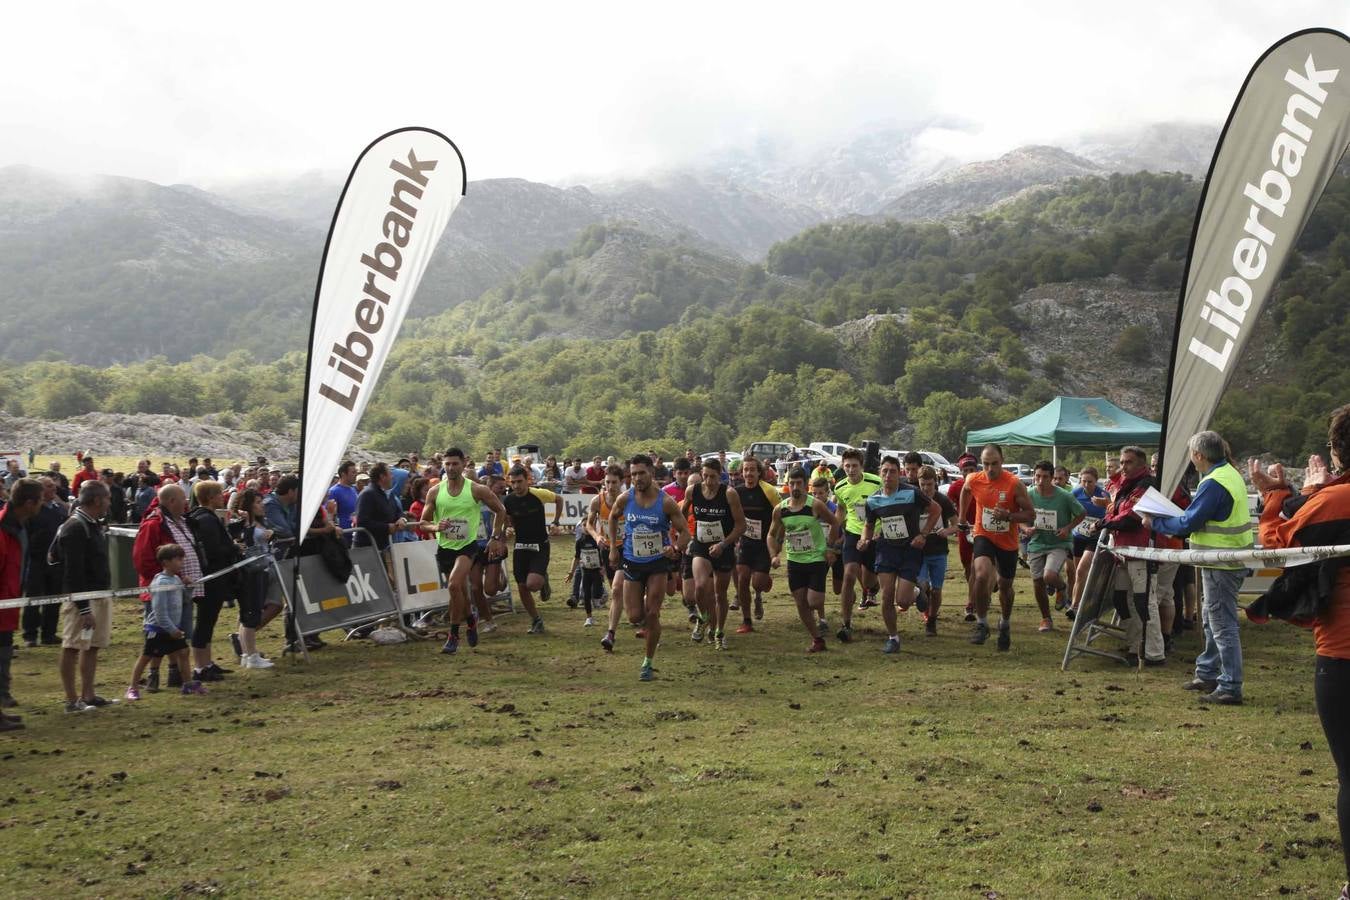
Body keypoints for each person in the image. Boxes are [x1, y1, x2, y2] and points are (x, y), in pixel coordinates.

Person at [1249, 405, 1350, 894]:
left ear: (1336, 452)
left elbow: (1277, 547)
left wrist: (1279, 495)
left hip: (1344, 655)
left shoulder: (1332, 502)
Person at [1140, 431, 1250, 702]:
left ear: (1199, 455)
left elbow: (1189, 523)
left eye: (1191, 453)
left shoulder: (1214, 483)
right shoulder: (1228, 474)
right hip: (1223, 561)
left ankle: (1230, 686)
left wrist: (1156, 523)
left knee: (1222, 625)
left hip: (1220, 564)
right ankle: (1209, 672)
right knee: (1214, 622)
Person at [607, 454, 690, 681]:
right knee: (635, 616)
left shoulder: (665, 502)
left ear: (651, 473)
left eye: (641, 473)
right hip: (632, 562)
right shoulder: (625, 499)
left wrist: (674, 548)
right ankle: (648, 617)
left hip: (657, 564)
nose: (637, 478)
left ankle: (648, 663)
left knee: (652, 614)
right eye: (633, 474)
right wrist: (614, 547)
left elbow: (685, 533)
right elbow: (613, 517)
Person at [419, 448, 507, 655]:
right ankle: (470, 621)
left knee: (454, 585)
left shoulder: (476, 489)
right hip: (445, 548)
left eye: (455, 464)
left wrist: (495, 537)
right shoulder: (435, 491)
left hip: (467, 547)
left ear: (463, 464)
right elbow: (423, 522)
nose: (450, 468)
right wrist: (435, 527)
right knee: (460, 593)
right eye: (447, 464)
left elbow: (500, 510)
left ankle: (453, 635)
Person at [858, 457, 940, 654]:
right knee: (886, 597)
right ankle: (893, 638)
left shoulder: (911, 493)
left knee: (902, 601)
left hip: (910, 549)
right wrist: (864, 540)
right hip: (887, 549)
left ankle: (917, 592)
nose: (888, 475)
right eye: (884, 471)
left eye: (892, 471)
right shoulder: (873, 500)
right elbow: (868, 525)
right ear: (880, 474)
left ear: (899, 473)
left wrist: (923, 534)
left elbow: (935, 510)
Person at [959, 444, 1034, 651]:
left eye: (994, 464)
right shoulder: (974, 479)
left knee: (1005, 586)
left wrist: (1009, 516)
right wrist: (962, 517)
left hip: (1007, 541)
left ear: (1002, 461)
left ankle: (1005, 623)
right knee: (981, 575)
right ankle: (982, 623)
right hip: (983, 534)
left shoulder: (1014, 484)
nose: (990, 469)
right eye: (985, 464)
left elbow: (1030, 514)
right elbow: (965, 492)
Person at [768, 466, 840, 653]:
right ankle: (817, 639)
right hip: (794, 561)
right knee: (801, 602)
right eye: (791, 483)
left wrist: (831, 548)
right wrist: (774, 555)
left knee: (813, 602)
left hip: (816, 558)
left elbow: (834, 523)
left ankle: (819, 624)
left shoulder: (814, 505)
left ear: (805, 485)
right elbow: (771, 535)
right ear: (787, 485)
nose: (795, 487)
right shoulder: (780, 510)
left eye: (799, 483)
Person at [56, 480, 113, 712]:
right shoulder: (75, 527)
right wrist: (84, 607)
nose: (110, 502)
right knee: (72, 645)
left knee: (92, 646)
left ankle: (88, 694)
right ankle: (71, 699)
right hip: (83, 598)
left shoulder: (92, 524)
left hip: (99, 594)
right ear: (98, 500)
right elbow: (73, 572)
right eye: (107, 498)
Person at [126, 544, 206, 700]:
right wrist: (171, 629)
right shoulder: (161, 583)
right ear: (166, 562)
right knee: (146, 657)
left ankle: (188, 684)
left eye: (182, 559)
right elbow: (159, 610)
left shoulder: (176, 579)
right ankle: (133, 688)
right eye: (178, 560)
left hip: (173, 628)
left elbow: (185, 600)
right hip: (158, 628)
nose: (181, 563)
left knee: (184, 652)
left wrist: (188, 588)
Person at [683, 457, 746, 650]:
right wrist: (685, 534)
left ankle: (718, 632)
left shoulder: (729, 494)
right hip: (701, 545)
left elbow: (741, 525)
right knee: (700, 587)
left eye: (713, 477)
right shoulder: (692, 491)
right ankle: (704, 619)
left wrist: (724, 544)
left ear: (721, 476)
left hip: (723, 548)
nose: (709, 481)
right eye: (705, 476)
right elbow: (681, 514)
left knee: (720, 595)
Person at [1021, 460, 1085, 634]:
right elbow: (1020, 517)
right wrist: (1026, 528)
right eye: (1038, 476)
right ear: (1034, 476)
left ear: (1051, 478)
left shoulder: (1064, 496)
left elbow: (1081, 513)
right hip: (1037, 542)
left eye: (1045, 477)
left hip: (1059, 542)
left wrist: (1067, 528)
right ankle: (1046, 618)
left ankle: (1062, 587)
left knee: (1049, 575)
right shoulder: (1029, 494)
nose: (1041, 480)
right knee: (1037, 581)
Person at [498, 465, 563, 634]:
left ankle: (542, 579)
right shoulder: (509, 500)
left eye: (520, 482)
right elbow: (508, 520)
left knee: (532, 584)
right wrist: (508, 529)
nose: (517, 486)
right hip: (520, 547)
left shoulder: (538, 493)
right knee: (522, 587)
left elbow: (559, 499)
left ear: (528, 480)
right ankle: (536, 620)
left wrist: (555, 522)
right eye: (513, 483)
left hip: (540, 545)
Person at [0, 478, 42, 727]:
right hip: (2, 605)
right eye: (39, 501)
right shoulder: (4, 530)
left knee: (3, 656)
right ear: (29, 503)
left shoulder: (17, 527)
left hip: (8, 606)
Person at [185, 481, 237, 684]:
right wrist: (233, 548)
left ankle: (207, 662)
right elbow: (214, 549)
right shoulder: (206, 520)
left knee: (210, 621)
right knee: (205, 622)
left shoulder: (204, 517)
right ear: (210, 497)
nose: (222, 497)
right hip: (211, 577)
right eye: (219, 494)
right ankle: (200, 666)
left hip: (214, 576)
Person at [833, 448, 883, 642]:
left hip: (874, 534)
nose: (851, 470)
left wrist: (881, 530)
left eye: (854, 466)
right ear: (842, 466)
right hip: (853, 534)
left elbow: (886, 504)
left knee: (869, 580)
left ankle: (873, 587)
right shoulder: (840, 487)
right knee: (849, 575)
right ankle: (846, 623)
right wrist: (835, 527)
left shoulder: (875, 482)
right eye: (847, 466)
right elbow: (840, 508)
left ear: (861, 466)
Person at [229, 488, 277, 669]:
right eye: (257, 502)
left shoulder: (261, 522)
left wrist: (271, 535)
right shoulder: (243, 524)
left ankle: (246, 653)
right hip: (251, 572)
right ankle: (251, 655)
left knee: (251, 614)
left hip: (264, 569)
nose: (261, 505)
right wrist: (247, 522)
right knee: (251, 614)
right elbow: (243, 542)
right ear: (248, 506)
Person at [733, 456, 780, 633]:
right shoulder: (736, 492)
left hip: (764, 543)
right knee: (742, 578)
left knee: (758, 583)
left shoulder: (768, 491)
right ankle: (746, 621)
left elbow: (781, 515)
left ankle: (759, 594)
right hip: (746, 542)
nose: (749, 473)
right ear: (741, 472)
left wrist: (778, 542)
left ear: (759, 472)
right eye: (745, 470)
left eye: (752, 470)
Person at [21, 476, 67, 647]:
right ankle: (30, 635)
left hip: (55, 562)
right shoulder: (32, 512)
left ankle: (49, 633)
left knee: (54, 598)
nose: (53, 488)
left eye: (53, 485)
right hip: (36, 561)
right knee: (34, 599)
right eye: (49, 486)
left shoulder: (58, 509)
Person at [915, 465, 958, 636]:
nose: (926, 489)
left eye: (930, 485)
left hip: (939, 552)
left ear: (936, 483)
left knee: (937, 590)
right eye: (922, 484)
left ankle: (932, 621)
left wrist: (947, 531)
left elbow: (957, 525)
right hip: (920, 552)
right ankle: (923, 601)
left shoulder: (943, 500)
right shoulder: (914, 500)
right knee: (923, 584)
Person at [1067, 466, 1108, 619]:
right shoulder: (1075, 493)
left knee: (1080, 570)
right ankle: (1081, 603)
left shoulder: (1103, 494)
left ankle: (1074, 606)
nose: (1086, 484)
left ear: (1096, 481)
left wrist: (1104, 508)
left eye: (1090, 482)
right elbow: (1067, 510)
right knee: (1080, 574)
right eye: (1083, 481)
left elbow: (1111, 513)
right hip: (1078, 537)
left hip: (1094, 538)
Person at [947, 453, 980, 620]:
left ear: (977, 469)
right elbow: (949, 506)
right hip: (965, 530)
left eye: (971, 469)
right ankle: (975, 591)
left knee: (977, 567)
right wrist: (959, 518)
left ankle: (971, 603)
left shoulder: (984, 483)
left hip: (982, 531)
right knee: (968, 567)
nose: (968, 473)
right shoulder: (956, 487)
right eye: (965, 470)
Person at [353, 463, 408, 552]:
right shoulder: (368, 494)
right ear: (382, 476)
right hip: (367, 548)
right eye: (390, 474)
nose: (392, 477)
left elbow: (398, 512)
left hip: (383, 547)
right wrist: (386, 527)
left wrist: (402, 519)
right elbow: (362, 522)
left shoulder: (388, 494)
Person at [565, 518, 604, 628]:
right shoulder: (580, 541)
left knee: (597, 594)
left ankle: (599, 599)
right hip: (586, 571)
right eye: (583, 525)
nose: (586, 527)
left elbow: (604, 554)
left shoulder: (597, 540)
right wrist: (571, 572)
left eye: (588, 525)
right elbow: (576, 558)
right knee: (586, 594)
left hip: (597, 571)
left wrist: (603, 568)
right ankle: (589, 618)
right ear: (581, 527)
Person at [326, 461, 359, 532]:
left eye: (356, 472)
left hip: (354, 532)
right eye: (353, 472)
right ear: (343, 474)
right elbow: (329, 515)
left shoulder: (353, 489)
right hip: (343, 535)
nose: (356, 474)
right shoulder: (334, 491)